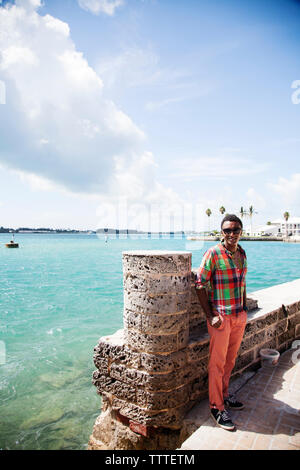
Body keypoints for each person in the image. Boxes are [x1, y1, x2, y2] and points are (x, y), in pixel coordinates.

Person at [195, 214, 248, 431]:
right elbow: (199, 285)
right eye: (227, 231)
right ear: (222, 232)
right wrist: (210, 316)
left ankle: (225, 395)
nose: (231, 234)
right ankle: (216, 407)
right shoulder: (213, 254)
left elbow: (242, 283)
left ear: (240, 232)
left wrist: (244, 309)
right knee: (217, 363)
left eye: (235, 230)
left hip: (239, 316)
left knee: (230, 360)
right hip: (221, 318)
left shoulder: (242, 253)